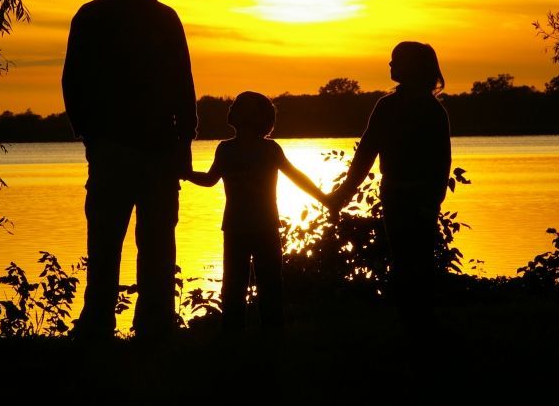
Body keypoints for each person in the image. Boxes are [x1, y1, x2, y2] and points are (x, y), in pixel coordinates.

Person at [62, 0, 197, 342]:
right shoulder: (94, 17)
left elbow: (182, 86)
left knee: (151, 243)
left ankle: (149, 325)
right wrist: (92, 137)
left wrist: (184, 140)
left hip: (155, 150)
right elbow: (75, 82)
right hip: (117, 150)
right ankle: (104, 323)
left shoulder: (161, 19)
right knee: (110, 241)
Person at [328, 41, 451, 335]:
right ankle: (410, 321)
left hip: (421, 196)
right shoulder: (386, 106)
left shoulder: (432, 111)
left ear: (413, 67)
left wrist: (432, 200)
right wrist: (344, 192)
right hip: (394, 194)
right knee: (403, 259)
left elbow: (441, 161)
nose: (390, 65)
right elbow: (366, 153)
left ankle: (421, 322)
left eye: (396, 61)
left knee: (418, 259)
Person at [185, 91, 328, 333]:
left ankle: (272, 334)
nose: (232, 107)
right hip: (235, 227)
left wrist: (325, 199)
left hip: (265, 227)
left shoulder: (270, 149)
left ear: (257, 117)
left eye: (239, 105)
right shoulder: (225, 149)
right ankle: (233, 336)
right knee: (233, 286)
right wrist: (185, 173)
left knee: (270, 283)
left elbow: (296, 177)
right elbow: (210, 179)